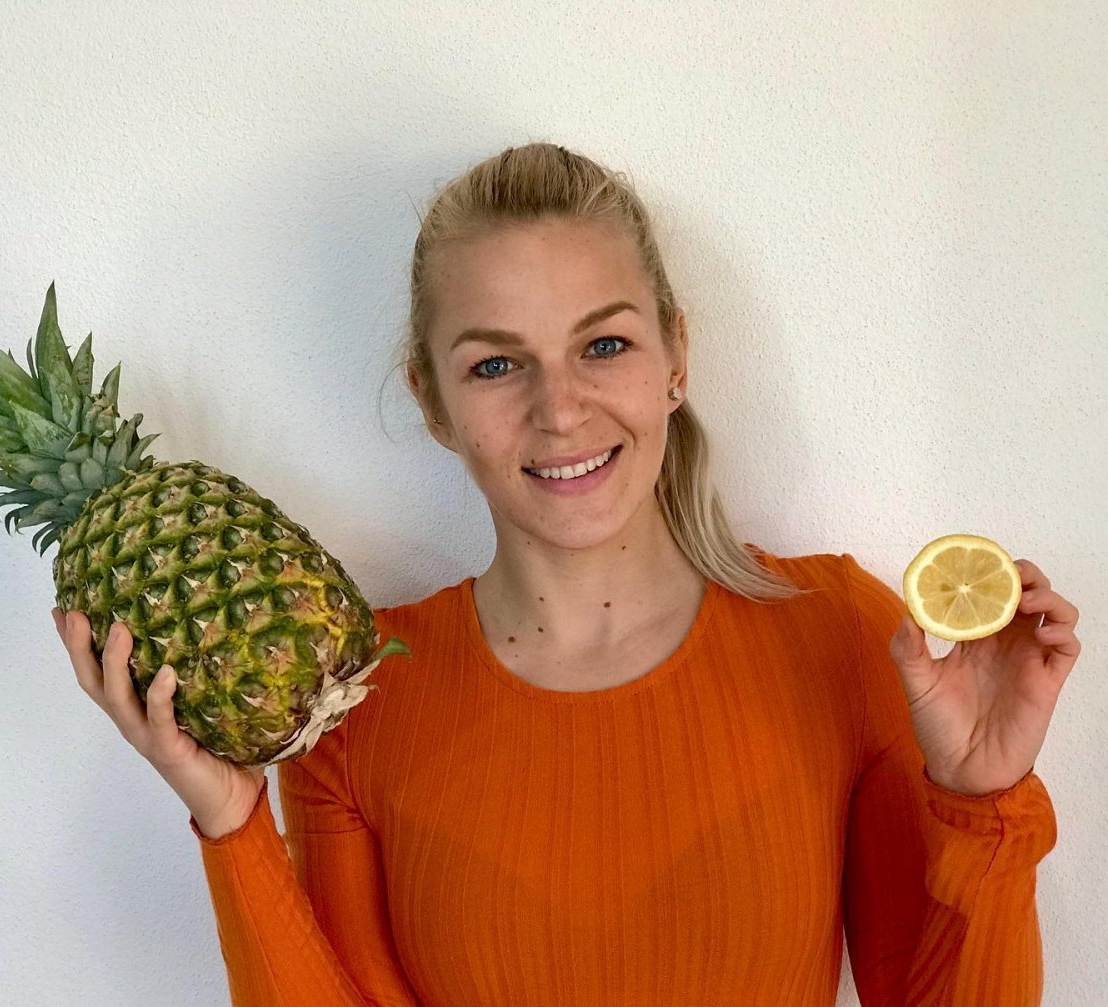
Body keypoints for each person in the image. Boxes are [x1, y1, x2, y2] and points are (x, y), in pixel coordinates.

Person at [54, 143, 1080, 1006]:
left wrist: (983, 798)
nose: (560, 409)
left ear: (675, 358)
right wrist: (234, 822)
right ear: (433, 401)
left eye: (605, 344)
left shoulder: (840, 632)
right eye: (496, 365)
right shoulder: (359, 699)